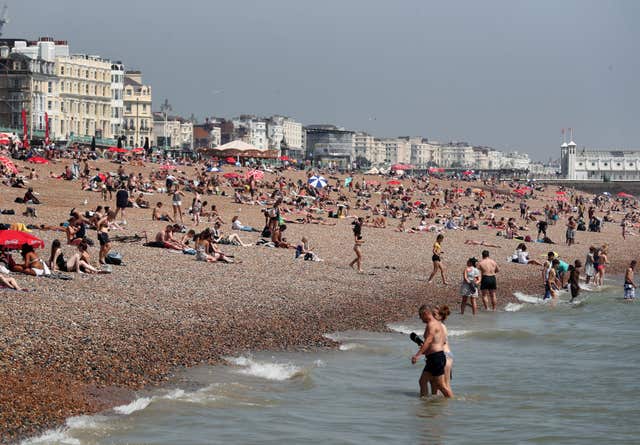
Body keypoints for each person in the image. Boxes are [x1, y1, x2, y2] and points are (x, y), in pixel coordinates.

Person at [411, 304, 453, 398]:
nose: (420, 319)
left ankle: (452, 401)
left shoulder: (432, 325)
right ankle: (424, 403)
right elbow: (436, 342)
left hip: (436, 358)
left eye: (421, 316)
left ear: (426, 313)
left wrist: (417, 355)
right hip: (433, 357)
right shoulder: (436, 324)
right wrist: (425, 350)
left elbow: (429, 340)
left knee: (441, 385)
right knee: (422, 381)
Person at [433, 305, 453, 392]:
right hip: (448, 355)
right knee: (442, 385)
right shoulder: (442, 325)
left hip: (444, 356)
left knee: (443, 385)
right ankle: (445, 404)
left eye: (434, 314)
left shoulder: (439, 326)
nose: (432, 316)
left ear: (440, 316)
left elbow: (442, 342)